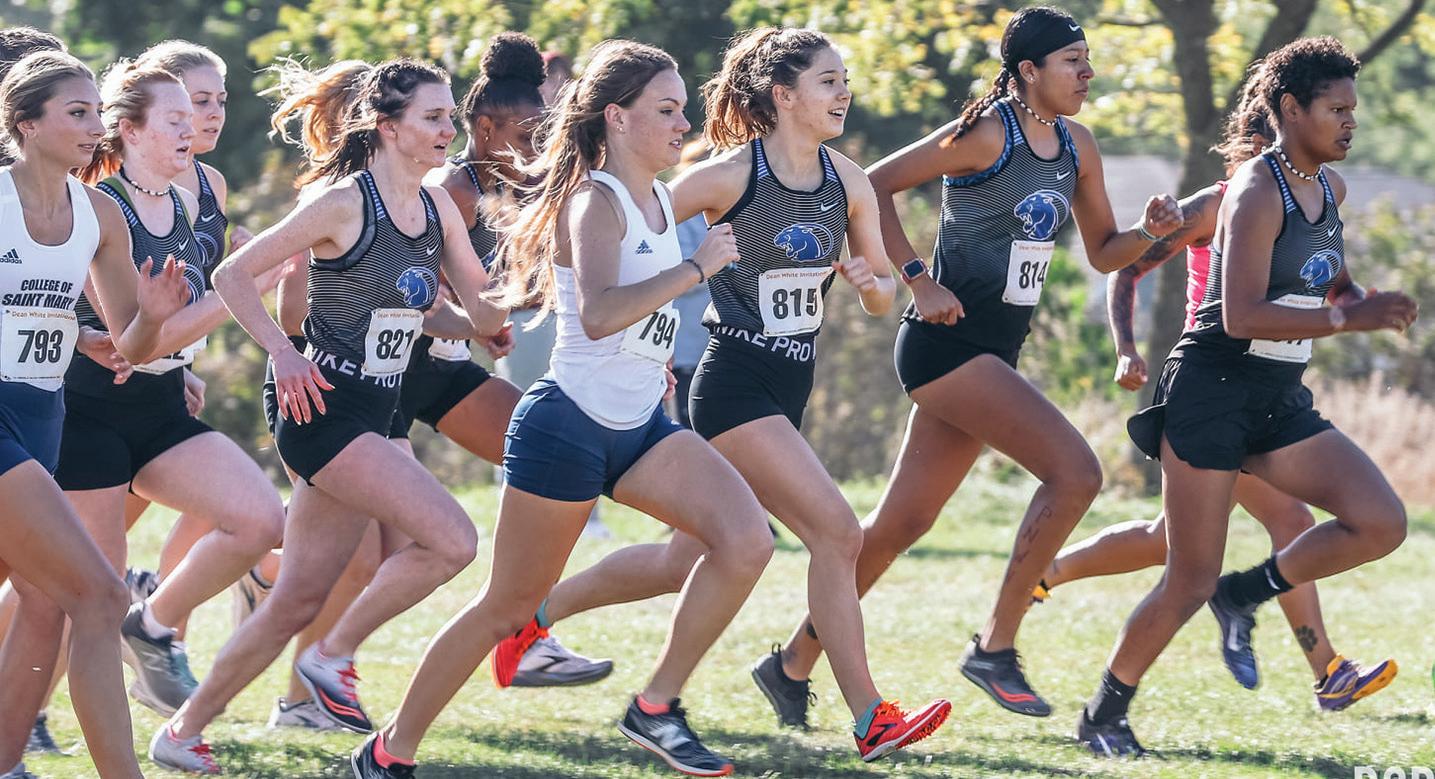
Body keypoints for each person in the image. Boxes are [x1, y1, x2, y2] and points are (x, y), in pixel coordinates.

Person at [492, 27, 952, 759]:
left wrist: (870, 285)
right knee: (837, 533)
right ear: (784, 95)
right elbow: (630, 227)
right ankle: (867, 716)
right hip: (733, 383)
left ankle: (537, 616)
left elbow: (878, 297)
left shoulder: (849, 181)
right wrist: (629, 325)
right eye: (828, 81)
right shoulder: (727, 177)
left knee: (684, 560)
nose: (844, 93)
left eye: (845, 80)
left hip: (789, 385)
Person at [350, 40, 772, 779]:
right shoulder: (594, 201)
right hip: (566, 428)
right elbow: (602, 313)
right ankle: (389, 750)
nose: (684, 124)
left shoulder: (659, 199)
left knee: (746, 541)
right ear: (618, 117)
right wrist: (694, 268)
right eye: (667, 110)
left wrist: (654, 356)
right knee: (504, 608)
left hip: (640, 426)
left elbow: (635, 318)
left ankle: (656, 707)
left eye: (684, 109)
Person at [761, 6, 1180, 723]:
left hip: (993, 350)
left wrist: (1148, 230)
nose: (1087, 72)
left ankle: (790, 665)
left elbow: (1105, 251)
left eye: (1087, 59)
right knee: (1076, 472)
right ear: (1028, 71)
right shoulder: (988, 132)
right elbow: (873, 185)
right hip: (944, 345)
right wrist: (917, 279)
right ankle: (995, 644)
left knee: (901, 523)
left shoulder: (1077, 145)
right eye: (1072, 61)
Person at [149, 57, 505, 774]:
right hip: (323, 409)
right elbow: (231, 274)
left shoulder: (438, 208)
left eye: (450, 117)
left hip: (375, 409)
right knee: (453, 540)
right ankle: (331, 654)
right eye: (433, 117)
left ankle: (181, 732)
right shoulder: (345, 202)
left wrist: (515, 293)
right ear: (388, 127)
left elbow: (479, 307)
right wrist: (283, 353)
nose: (449, 130)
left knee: (294, 599)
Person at [1077, 36, 1416, 756]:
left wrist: (1360, 301)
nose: (1349, 121)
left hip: (1276, 394)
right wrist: (1345, 321)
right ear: (1290, 109)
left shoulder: (1329, 188)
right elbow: (1240, 315)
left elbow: (1324, 274)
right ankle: (1103, 715)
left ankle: (1247, 593)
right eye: (1335, 109)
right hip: (1212, 390)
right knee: (1187, 577)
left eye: (1352, 109)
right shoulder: (1255, 191)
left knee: (1381, 521)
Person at [41, 58, 286, 723]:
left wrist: (190, 353)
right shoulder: (101, 206)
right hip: (89, 412)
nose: (193, 127)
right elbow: (132, 341)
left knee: (261, 519)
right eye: (176, 118)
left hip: (162, 403)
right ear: (130, 129)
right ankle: (24, 723)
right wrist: (239, 285)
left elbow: (169, 330)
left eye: (196, 113)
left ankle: (151, 626)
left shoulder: (186, 201)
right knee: (81, 596)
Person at [0, 49, 191, 779]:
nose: (95, 126)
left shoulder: (99, 213)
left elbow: (130, 346)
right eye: (77, 112)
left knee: (45, 601)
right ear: (26, 123)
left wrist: (154, 316)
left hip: (41, 418)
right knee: (103, 595)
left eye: (97, 113)